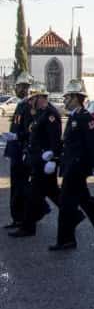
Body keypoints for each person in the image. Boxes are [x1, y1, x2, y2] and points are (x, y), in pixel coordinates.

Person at [50, 80, 94, 250]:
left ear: (76, 98)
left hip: (77, 168)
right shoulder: (74, 117)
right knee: (85, 200)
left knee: (66, 204)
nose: (65, 101)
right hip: (71, 166)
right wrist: (55, 157)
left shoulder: (85, 117)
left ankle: (66, 240)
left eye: (68, 97)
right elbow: (68, 144)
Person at [11, 83, 62, 239]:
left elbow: (55, 140)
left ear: (40, 98)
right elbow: (33, 134)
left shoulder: (50, 114)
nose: (30, 101)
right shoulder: (40, 113)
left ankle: (27, 227)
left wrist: (53, 159)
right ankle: (73, 215)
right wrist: (20, 142)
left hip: (45, 161)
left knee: (34, 195)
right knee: (51, 192)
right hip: (38, 159)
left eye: (33, 98)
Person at [4, 73, 38, 231]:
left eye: (18, 86)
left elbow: (30, 131)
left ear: (25, 88)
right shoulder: (21, 104)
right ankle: (17, 217)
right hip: (16, 151)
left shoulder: (29, 107)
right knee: (17, 187)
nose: (16, 89)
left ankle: (23, 217)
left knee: (21, 187)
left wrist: (17, 137)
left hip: (22, 152)